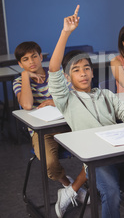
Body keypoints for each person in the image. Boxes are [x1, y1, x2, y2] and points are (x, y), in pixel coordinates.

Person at [48, 5, 124, 218]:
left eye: (86, 69)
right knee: (110, 192)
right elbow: (54, 69)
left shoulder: (106, 94)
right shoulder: (67, 99)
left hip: (121, 151)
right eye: (76, 70)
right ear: (68, 78)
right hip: (98, 160)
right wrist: (66, 33)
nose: (82, 74)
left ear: (92, 73)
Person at [12, 41, 87, 204]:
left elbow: (75, 94)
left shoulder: (56, 73)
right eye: (25, 59)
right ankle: (70, 187)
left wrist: (55, 101)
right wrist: (25, 76)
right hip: (42, 132)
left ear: (41, 57)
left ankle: (77, 188)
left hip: (68, 124)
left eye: (34, 56)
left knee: (95, 150)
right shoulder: (19, 82)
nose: (31, 62)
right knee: (50, 165)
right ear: (20, 64)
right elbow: (26, 104)